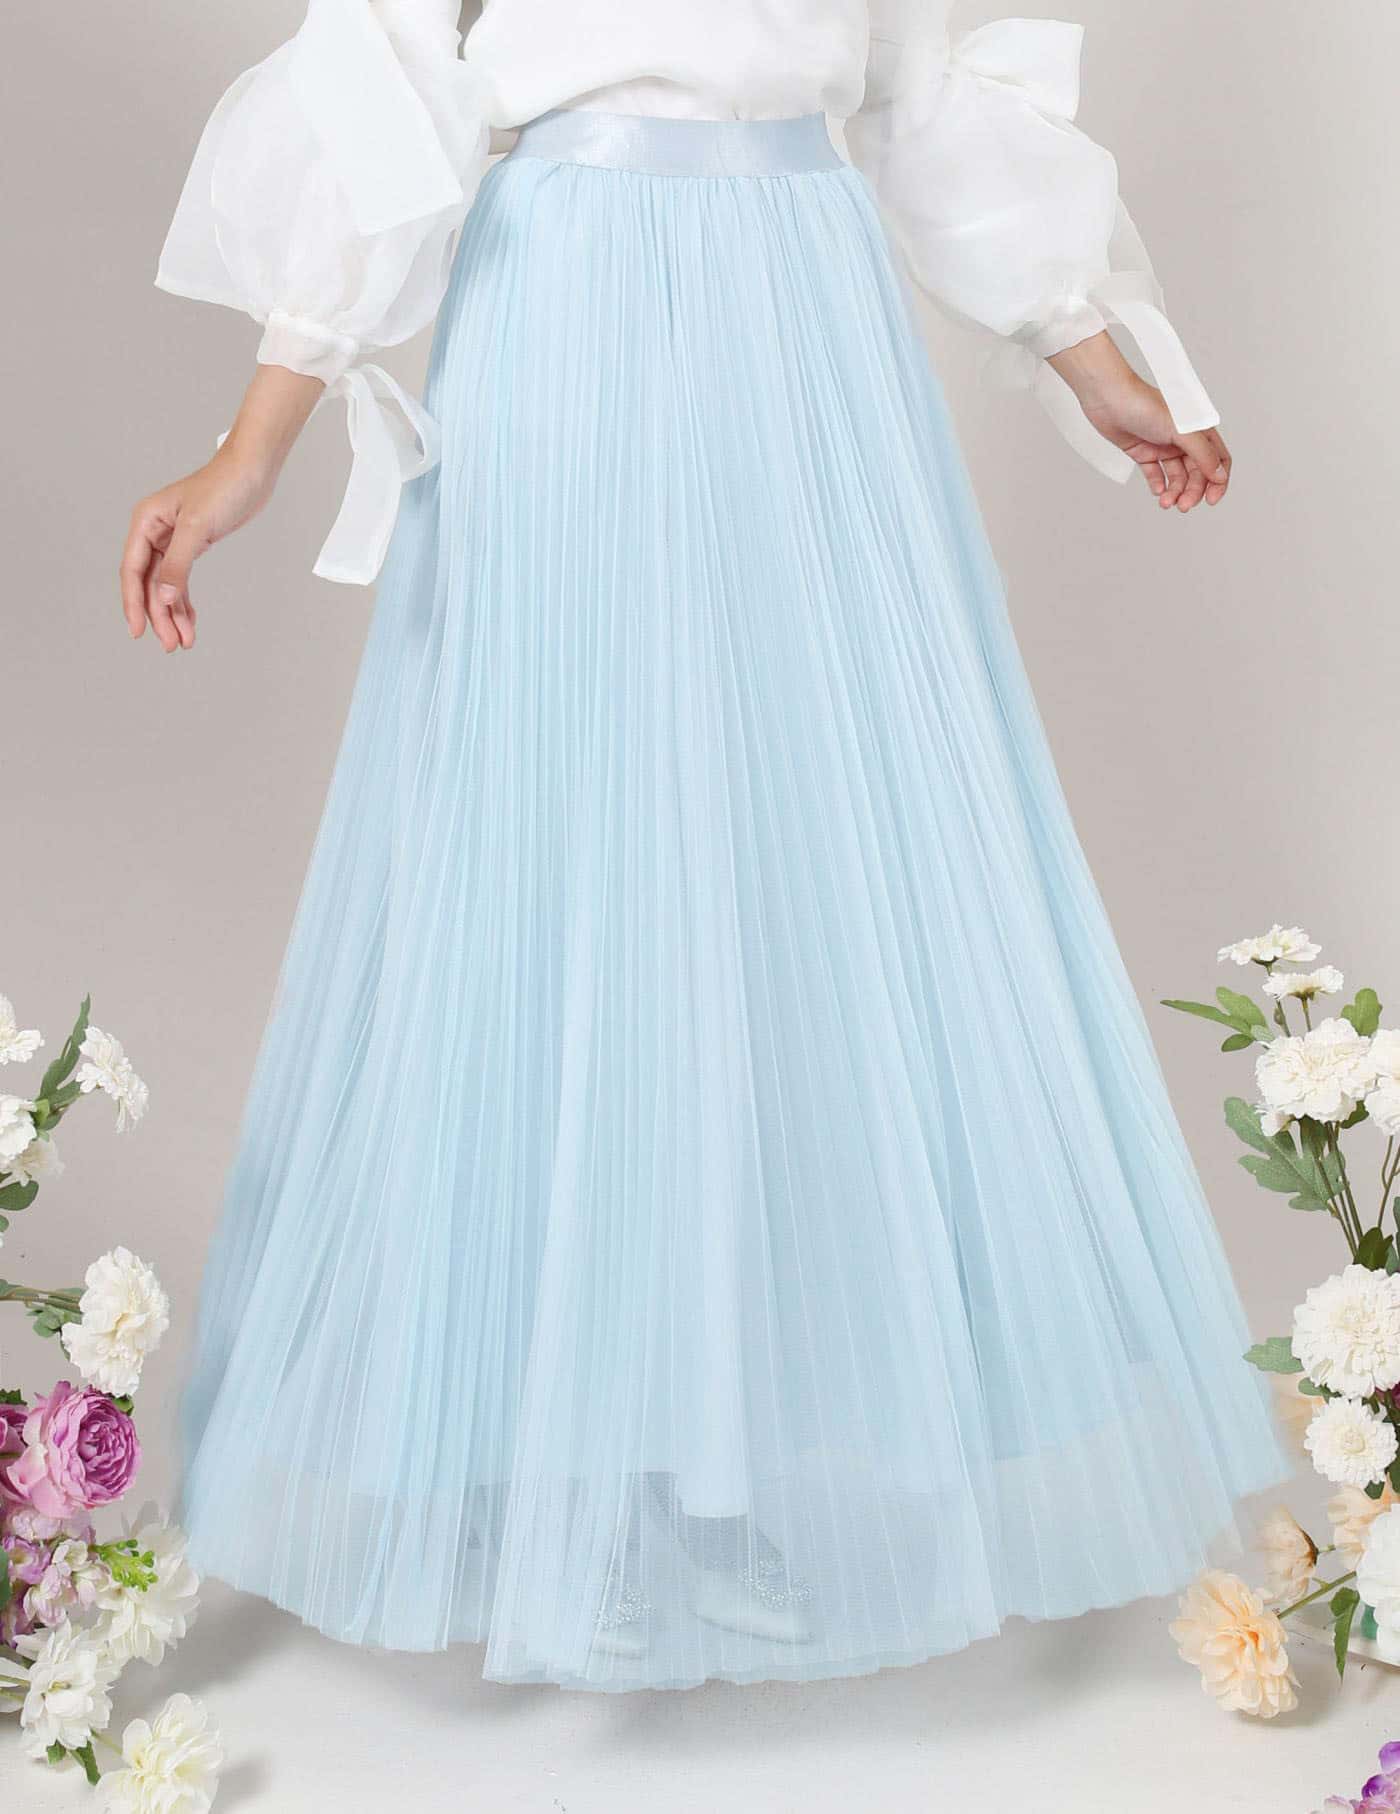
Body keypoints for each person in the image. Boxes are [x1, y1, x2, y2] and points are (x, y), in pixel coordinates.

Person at [121, 0, 1282, 1692]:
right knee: (576, 859)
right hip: (572, 299)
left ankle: (725, 1468)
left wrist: (1086, 343)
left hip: (809, 318)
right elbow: (393, 70)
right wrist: (255, 445)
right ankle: (590, 1478)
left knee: (780, 884)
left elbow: (910, 81)